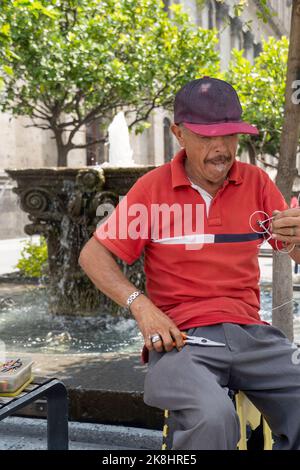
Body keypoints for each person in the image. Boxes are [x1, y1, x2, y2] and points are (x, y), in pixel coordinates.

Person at [79, 77, 300, 450]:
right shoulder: (153, 188)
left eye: (229, 135)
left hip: (252, 334)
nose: (221, 148)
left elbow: (293, 251)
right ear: (178, 134)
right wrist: (142, 307)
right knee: (212, 418)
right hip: (183, 341)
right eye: (206, 136)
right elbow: (92, 255)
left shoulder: (256, 182)